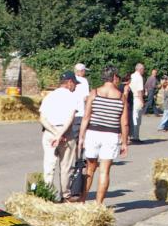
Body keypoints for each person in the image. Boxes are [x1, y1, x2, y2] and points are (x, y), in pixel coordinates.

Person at [77, 66, 129, 206]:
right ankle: (98, 204)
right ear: (114, 77)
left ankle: (82, 200)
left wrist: (81, 137)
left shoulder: (94, 93)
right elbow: (124, 123)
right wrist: (124, 142)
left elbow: (86, 117)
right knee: (104, 171)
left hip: (93, 133)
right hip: (111, 135)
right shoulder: (121, 97)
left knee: (90, 169)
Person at [38, 70, 79, 201]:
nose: (75, 87)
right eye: (75, 84)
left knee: (49, 165)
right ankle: (65, 195)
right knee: (66, 166)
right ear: (69, 82)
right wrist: (60, 134)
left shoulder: (49, 96)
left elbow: (42, 118)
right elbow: (71, 118)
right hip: (65, 133)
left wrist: (54, 133)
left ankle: (46, 195)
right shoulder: (72, 97)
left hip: (49, 132)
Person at [127, 62, 145, 143]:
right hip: (137, 98)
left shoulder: (132, 76)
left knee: (133, 117)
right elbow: (139, 90)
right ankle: (135, 136)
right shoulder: (139, 77)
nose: (143, 71)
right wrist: (142, 101)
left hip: (131, 98)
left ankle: (131, 135)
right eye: (143, 69)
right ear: (140, 69)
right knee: (137, 119)